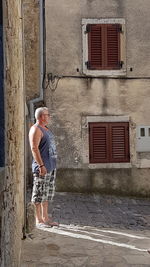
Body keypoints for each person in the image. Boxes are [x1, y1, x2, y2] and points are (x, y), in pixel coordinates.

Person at [29, 107, 58, 227]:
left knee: (46, 194)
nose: (49, 116)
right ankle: (38, 220)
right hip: (42, 167)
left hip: (50, 167)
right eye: (48, 114)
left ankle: (45, 218)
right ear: (42, 116)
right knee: (39, 193)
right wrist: (41, 165)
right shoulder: (35, 129)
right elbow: (34, 148)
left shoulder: (46, 129)